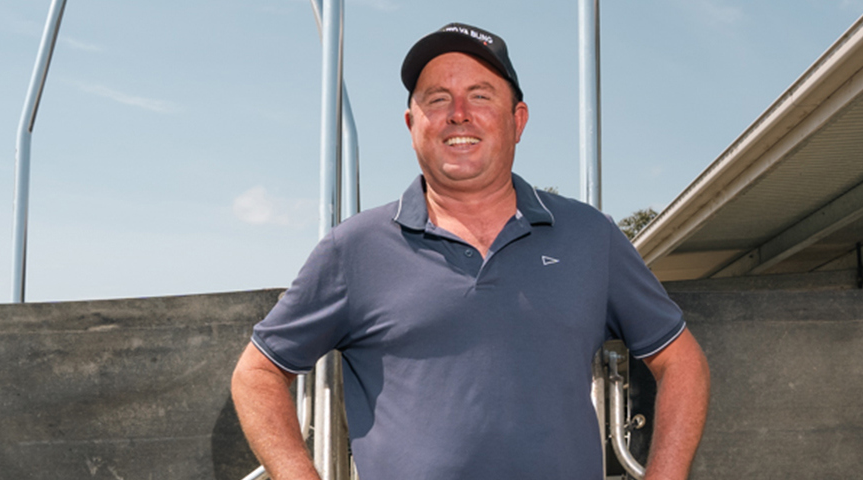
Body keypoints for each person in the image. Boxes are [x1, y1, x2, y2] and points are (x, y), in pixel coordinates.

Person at [230, 23, 710, 480]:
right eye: (437, 99)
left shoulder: (589, 235)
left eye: (480, 96)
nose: (458, 113)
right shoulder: (353, 249)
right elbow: (257, 373)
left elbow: (682, 362)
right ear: (412, 124)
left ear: (517, 120)